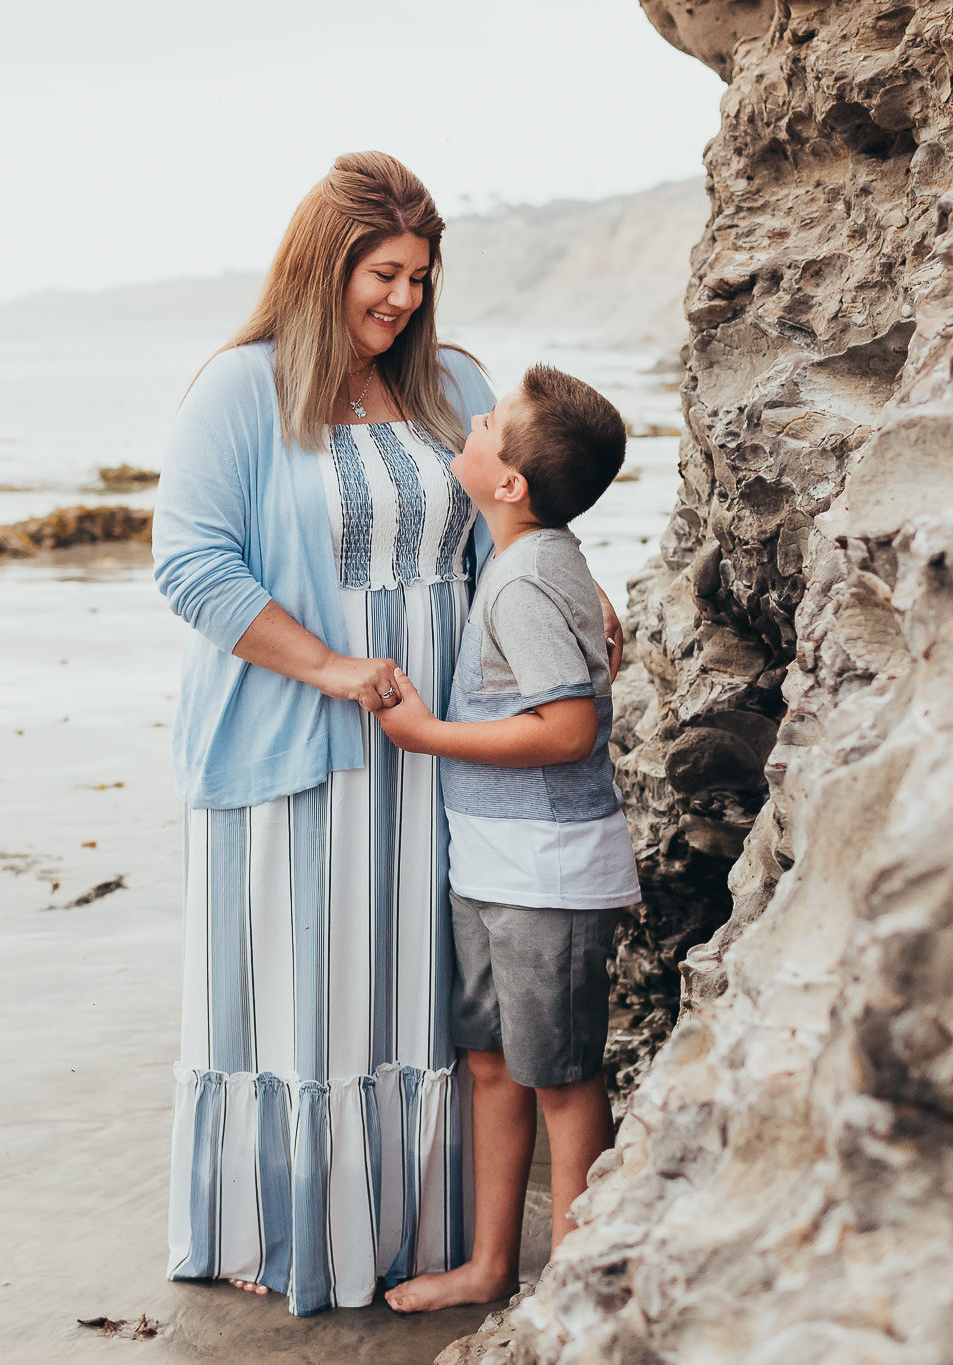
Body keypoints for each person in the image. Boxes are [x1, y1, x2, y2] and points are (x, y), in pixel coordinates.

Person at [152, 153, 622, 1317]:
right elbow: (191, 564)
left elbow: (512, 524)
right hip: (295, 737)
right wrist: (330, 669)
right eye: (382, 273)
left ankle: (436, 1235)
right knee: (304, 989)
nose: (403, 300)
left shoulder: (451, 383)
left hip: (439, 748)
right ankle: (296, 1231)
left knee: (423, 996)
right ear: (324, 266)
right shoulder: (240, 390)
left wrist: (583, 597)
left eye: (419, 276)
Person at [370, 365, 643, 1312]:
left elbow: (568, 729)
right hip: (492, 865)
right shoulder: (530, 554)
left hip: (548, 876)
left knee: (562, 1078)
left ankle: (573, 1280)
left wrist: (426, 734)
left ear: (510, 483)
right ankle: (491, 1265)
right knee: (491, 1062)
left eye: (489, 422)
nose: (473, 420)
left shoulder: (527, 578)